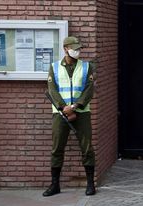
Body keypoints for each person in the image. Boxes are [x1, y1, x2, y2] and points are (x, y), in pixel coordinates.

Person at [43, 36, 96, 197]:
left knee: (87, 148)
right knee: (57, 148)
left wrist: (75, 106)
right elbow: (52, 89)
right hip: (60, 114)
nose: (78, 51)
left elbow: (89, 90)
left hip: (82, 112)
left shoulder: (87, 67)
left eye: (79, 48)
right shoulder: (54, 67)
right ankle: (55, 184)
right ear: (66, 48)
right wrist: (63, 107)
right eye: (75, 48)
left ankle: (90, 184)